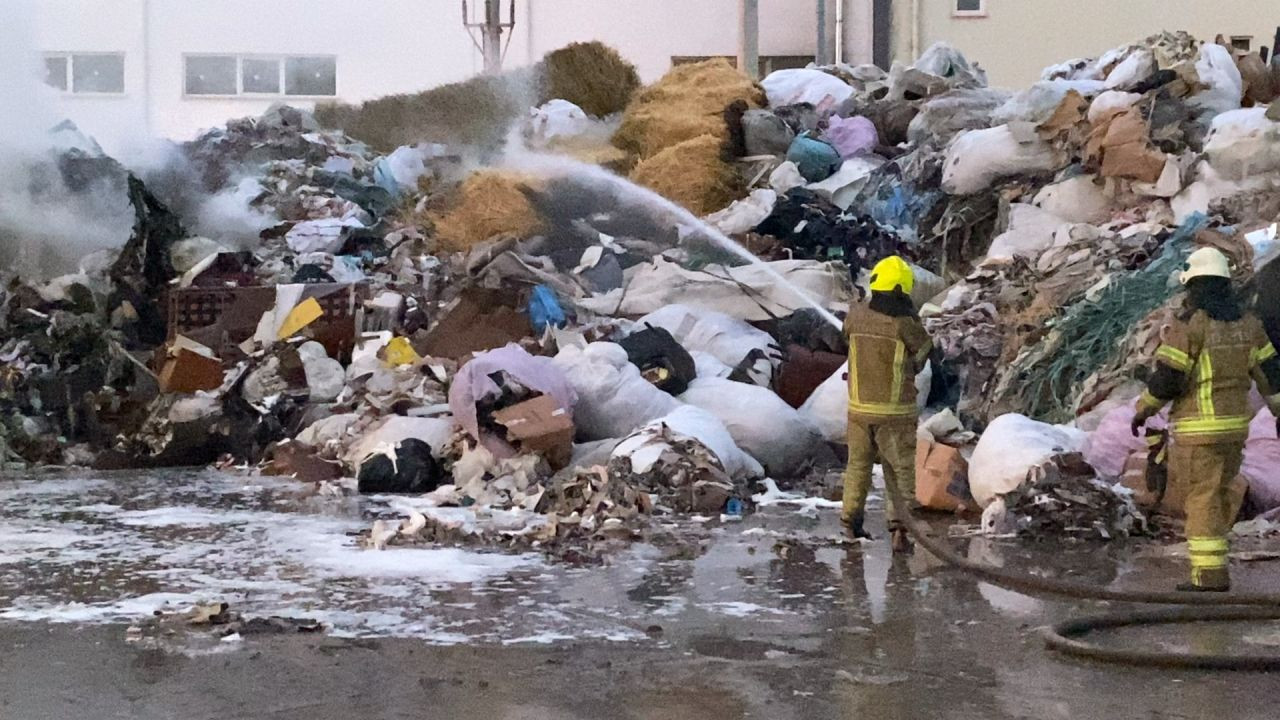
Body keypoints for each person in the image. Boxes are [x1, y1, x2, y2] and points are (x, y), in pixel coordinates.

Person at [1132, 247, 1280, 592]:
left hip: (1198, 432)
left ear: (1194, 286)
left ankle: (1208, 575)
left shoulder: (1190, 328)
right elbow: (1272, 377)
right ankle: (1216, 557)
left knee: (1201, 499)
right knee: (1218, 493)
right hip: (1234, 431)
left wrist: (1144, 409)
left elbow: (1168, 379)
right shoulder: (1250, 327)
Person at [841, 255, 932, 553]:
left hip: (858, 410)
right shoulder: (905, 323)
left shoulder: (855, 314)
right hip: (896, 413)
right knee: (901, 473)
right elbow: (922, 355)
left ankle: (849, 524)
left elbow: (845, 338)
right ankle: (900, 532)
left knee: (857, 467)